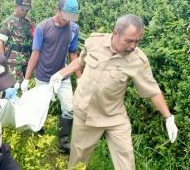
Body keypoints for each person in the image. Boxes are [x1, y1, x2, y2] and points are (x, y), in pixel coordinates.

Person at [51, 14, 179, 169]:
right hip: (85, 112)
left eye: (137, 41)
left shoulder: (137, 60)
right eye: (129, 40)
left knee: (126, 162)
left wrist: (168, 117)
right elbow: (80, 61)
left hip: (114, 116)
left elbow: (152, 90)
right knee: (78, 161)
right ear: (115, 33)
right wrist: (60, 74)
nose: (133, 46)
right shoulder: (94, 41)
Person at [22, 0, 79, 154]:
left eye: (71, 18)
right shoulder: (43, 27)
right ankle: (39, 137)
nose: (68, 21)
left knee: (69, 108)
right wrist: (27, 79)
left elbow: (73, 54)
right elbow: (35, 54)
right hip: (43, 76)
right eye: (66, 16)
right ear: (58, 10)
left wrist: (79, 78)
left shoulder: (73, 29)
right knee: (41, 109)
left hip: (63, 76)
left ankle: (63, 143)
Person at [0, 0, 33, 82]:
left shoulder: (29, 22)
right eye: (23, 9)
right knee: (15, 88)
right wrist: (2, 60)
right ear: (15, 7)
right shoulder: (9, 22)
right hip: (13, 62)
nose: (25, 12)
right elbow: (1, 41)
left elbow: (32, 40)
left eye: (27, 10)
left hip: (27, 60)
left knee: (27, 87)